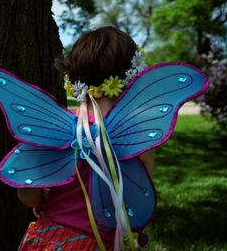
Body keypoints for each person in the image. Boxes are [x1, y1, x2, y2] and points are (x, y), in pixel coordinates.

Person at [16, 26, 156, 251]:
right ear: (133, 74)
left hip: (52, 238)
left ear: (74, 78)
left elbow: (27, 193)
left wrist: (40, 199)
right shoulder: (139, 136)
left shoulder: (54, 128)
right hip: (105, 242)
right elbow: (140, 196)